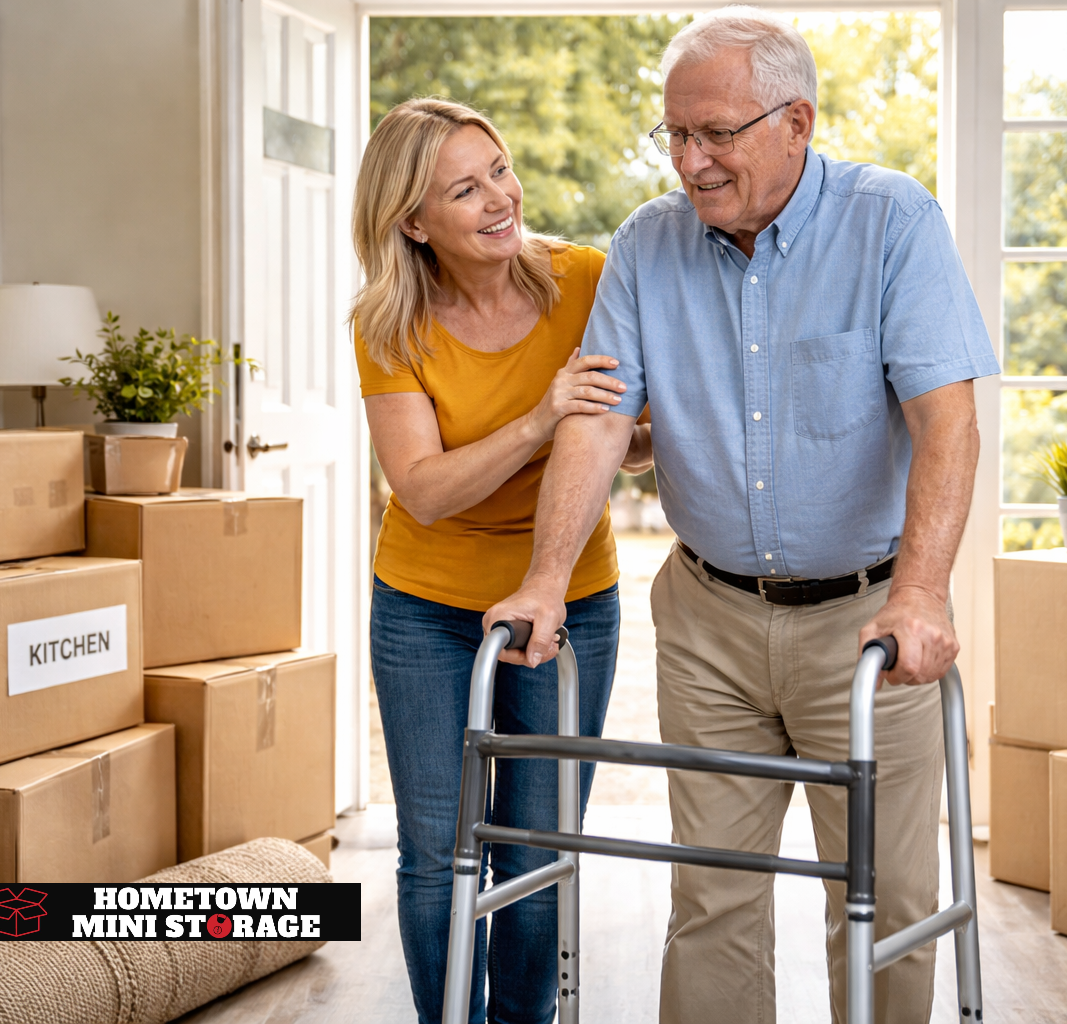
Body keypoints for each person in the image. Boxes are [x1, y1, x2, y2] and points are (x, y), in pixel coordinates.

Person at [484, 9, 999, 1023]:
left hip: (866, 625)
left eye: (716, 133)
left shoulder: (891, 222)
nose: (691, 161)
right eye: (675, 135)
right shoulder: (647, 244)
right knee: (712, 897)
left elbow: (948, 424)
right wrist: (545, 579)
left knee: (887, 900)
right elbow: (598, 422)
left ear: (796, 122)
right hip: (710, 620)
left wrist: (923, 593)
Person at [352, 98, 650, 1024]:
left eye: (502, 170)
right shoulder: (389, 323)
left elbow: (633, 442)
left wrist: (622, 434)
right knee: (436, 851)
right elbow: (423, 489)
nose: (500, 199)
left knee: (537, 846)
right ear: (413, 222)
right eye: (464, 190)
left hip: (569, 602)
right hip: (426, 607)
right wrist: (541, 418)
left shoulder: (586, 280)